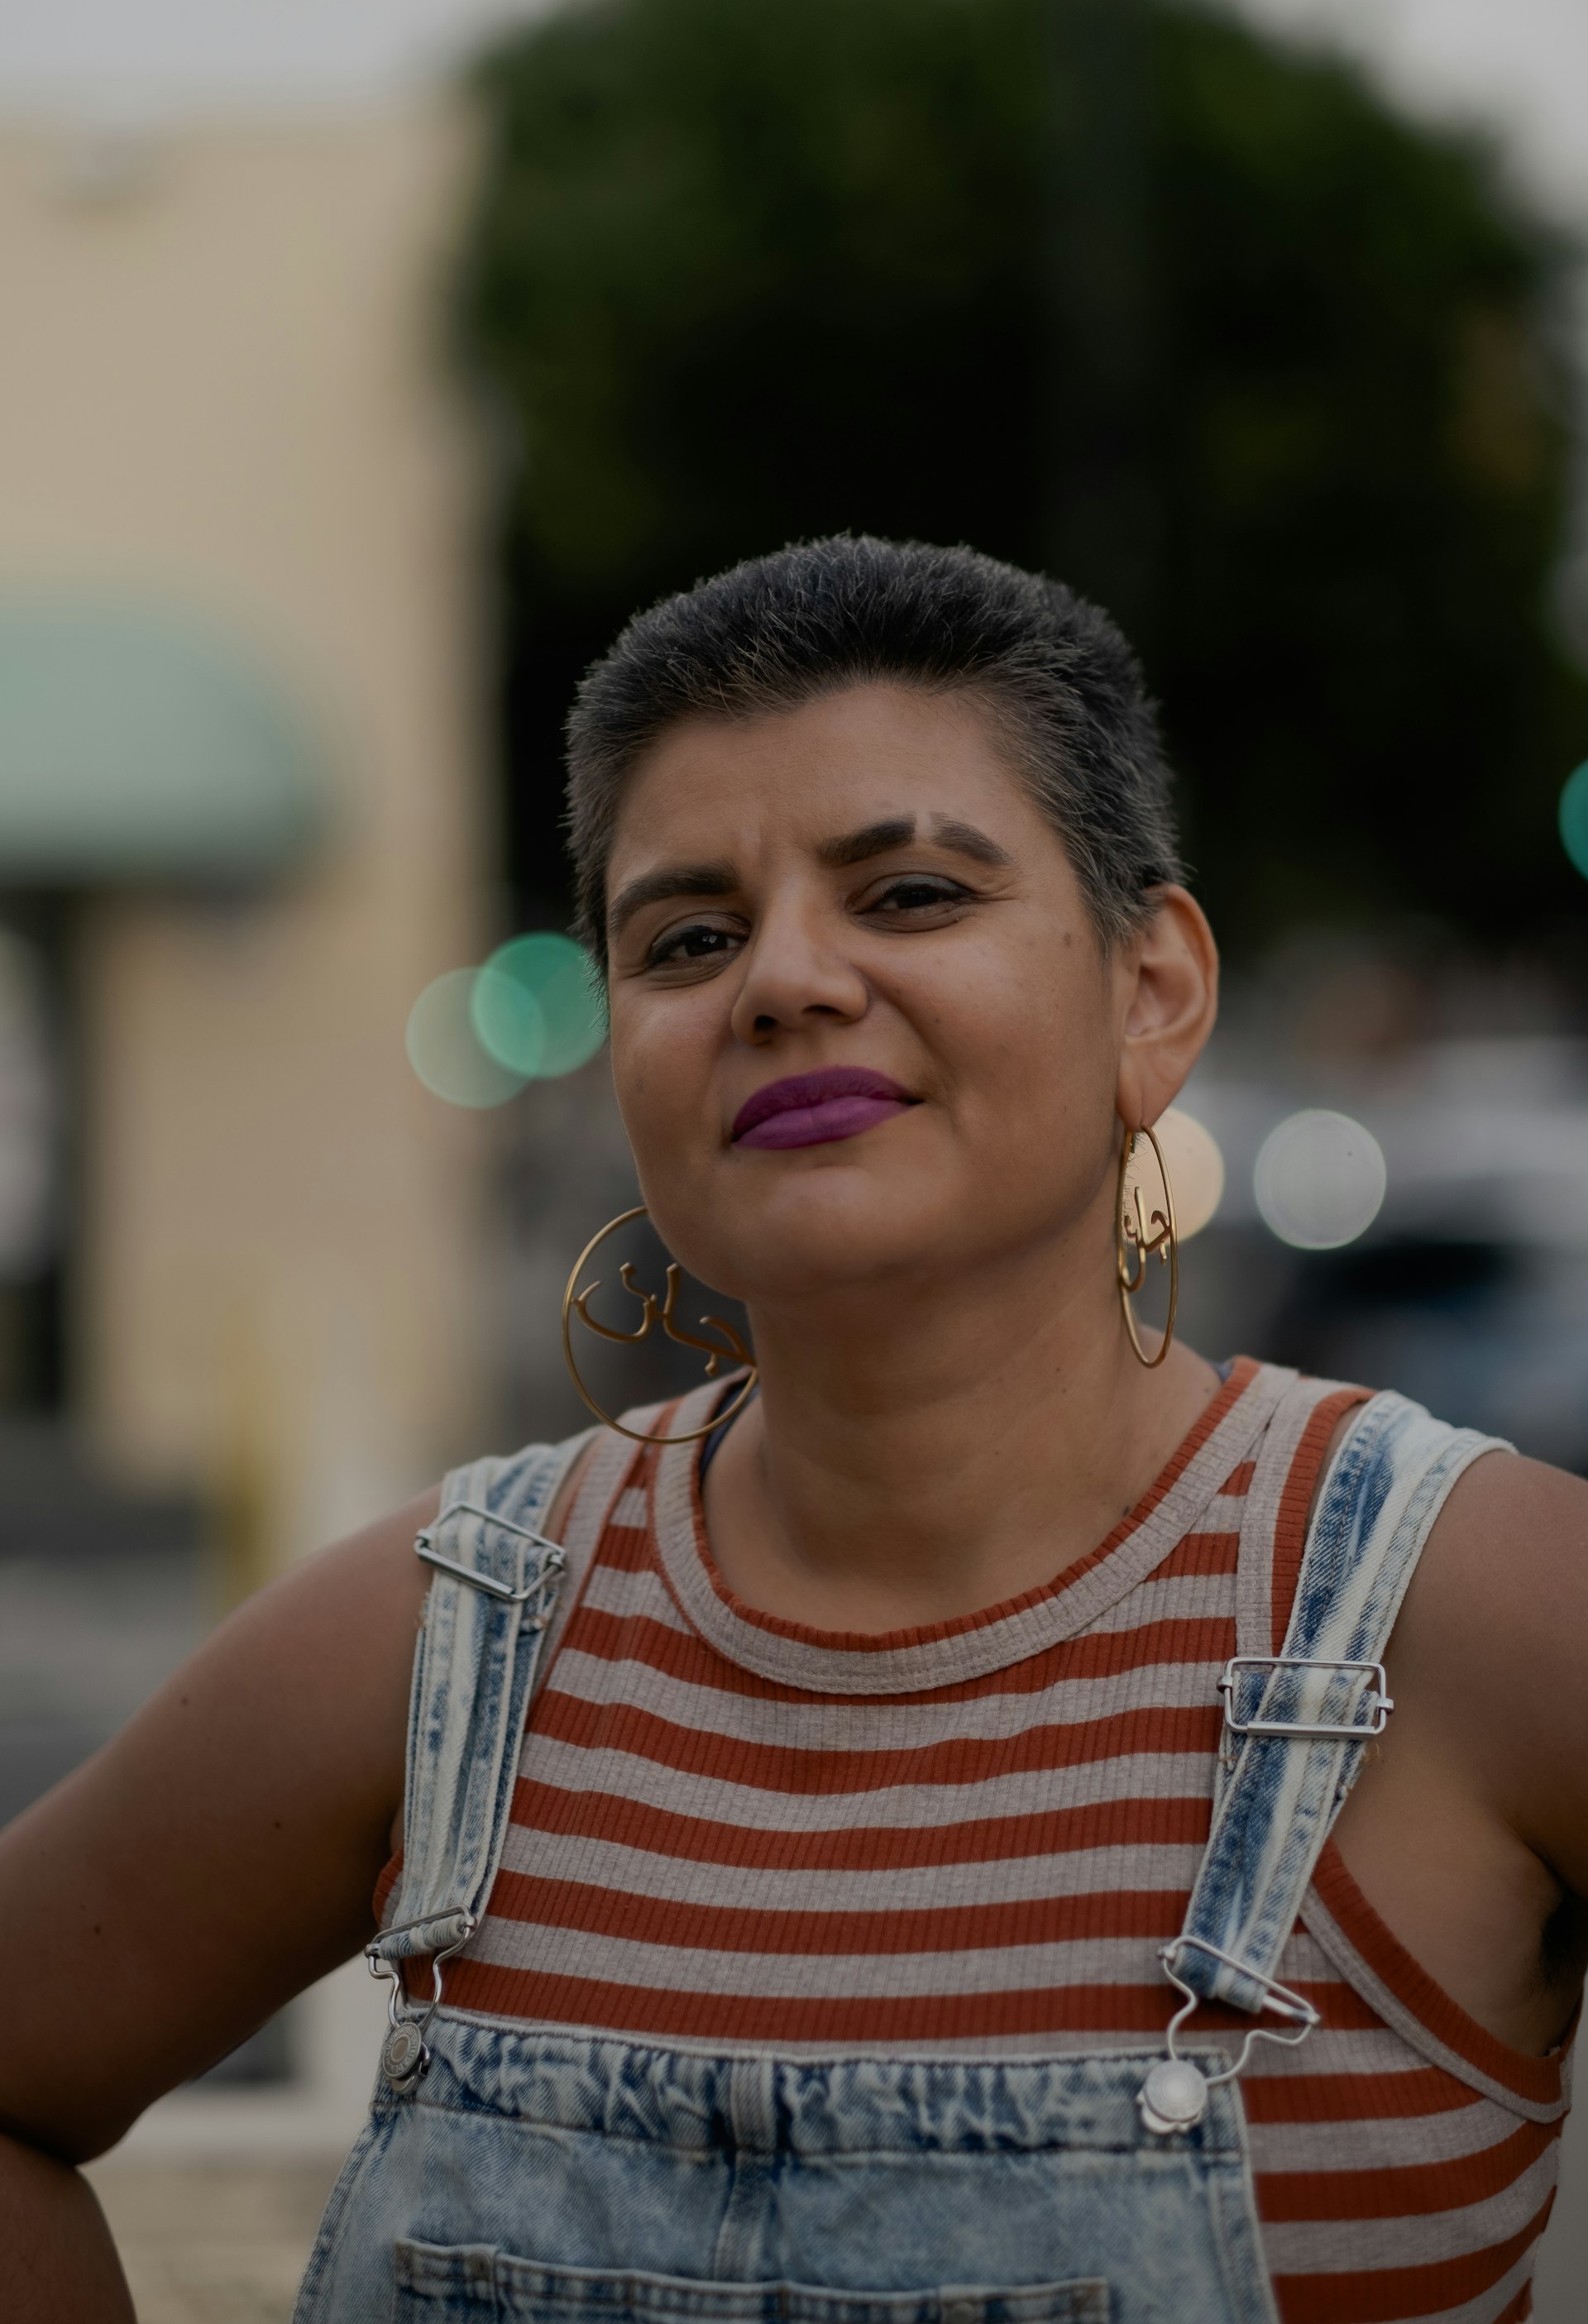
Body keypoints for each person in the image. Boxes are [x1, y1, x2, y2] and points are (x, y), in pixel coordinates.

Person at [2, 536, 1584, 2324]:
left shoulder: (1472, 1616)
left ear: (1154, 992)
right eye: (687, 934)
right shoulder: (447, 1634)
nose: (785, 979)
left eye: (908, 894)